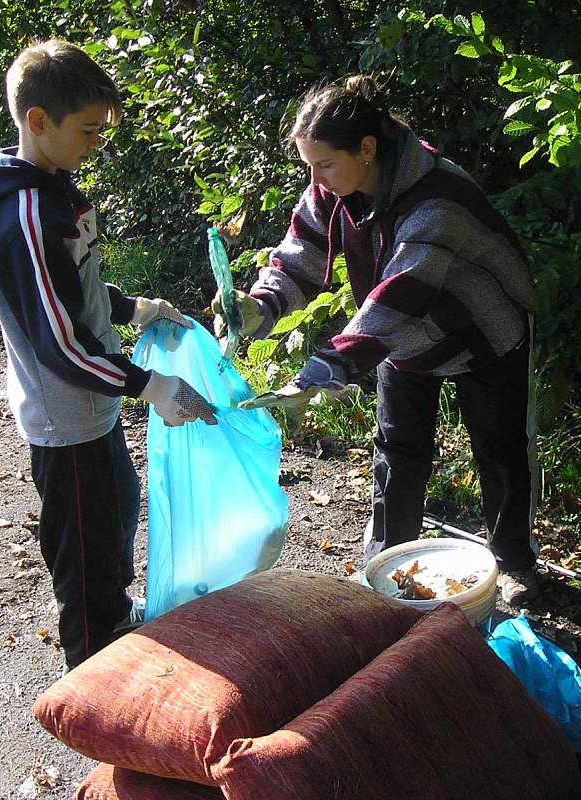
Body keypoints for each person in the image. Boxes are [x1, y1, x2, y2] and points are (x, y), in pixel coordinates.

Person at [214, 75, 539, 607]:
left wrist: (318, 374)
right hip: (404, 340)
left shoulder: (439, 200)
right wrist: (258, 306)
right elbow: (300, 257)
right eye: (308, 166)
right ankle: (387, 568)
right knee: (398, 449)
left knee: (500, 450)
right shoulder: (332, 188)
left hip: (483, 330)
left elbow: (394, 302)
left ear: (367, 150)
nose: (315, 178)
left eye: (324, 164)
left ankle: (515, 563)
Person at [0, 39, 216, 673]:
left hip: (94, 403)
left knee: (119, 508)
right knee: (83, 544)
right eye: (89, 129)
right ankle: (89, 666)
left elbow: (76, 291)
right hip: (65, 417)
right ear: (37, 121)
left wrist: (138, 309)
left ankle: (111, 617)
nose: (97, 142)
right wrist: (150, 384)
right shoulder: (20, 215)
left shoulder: (56, 185)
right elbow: (59, 341)